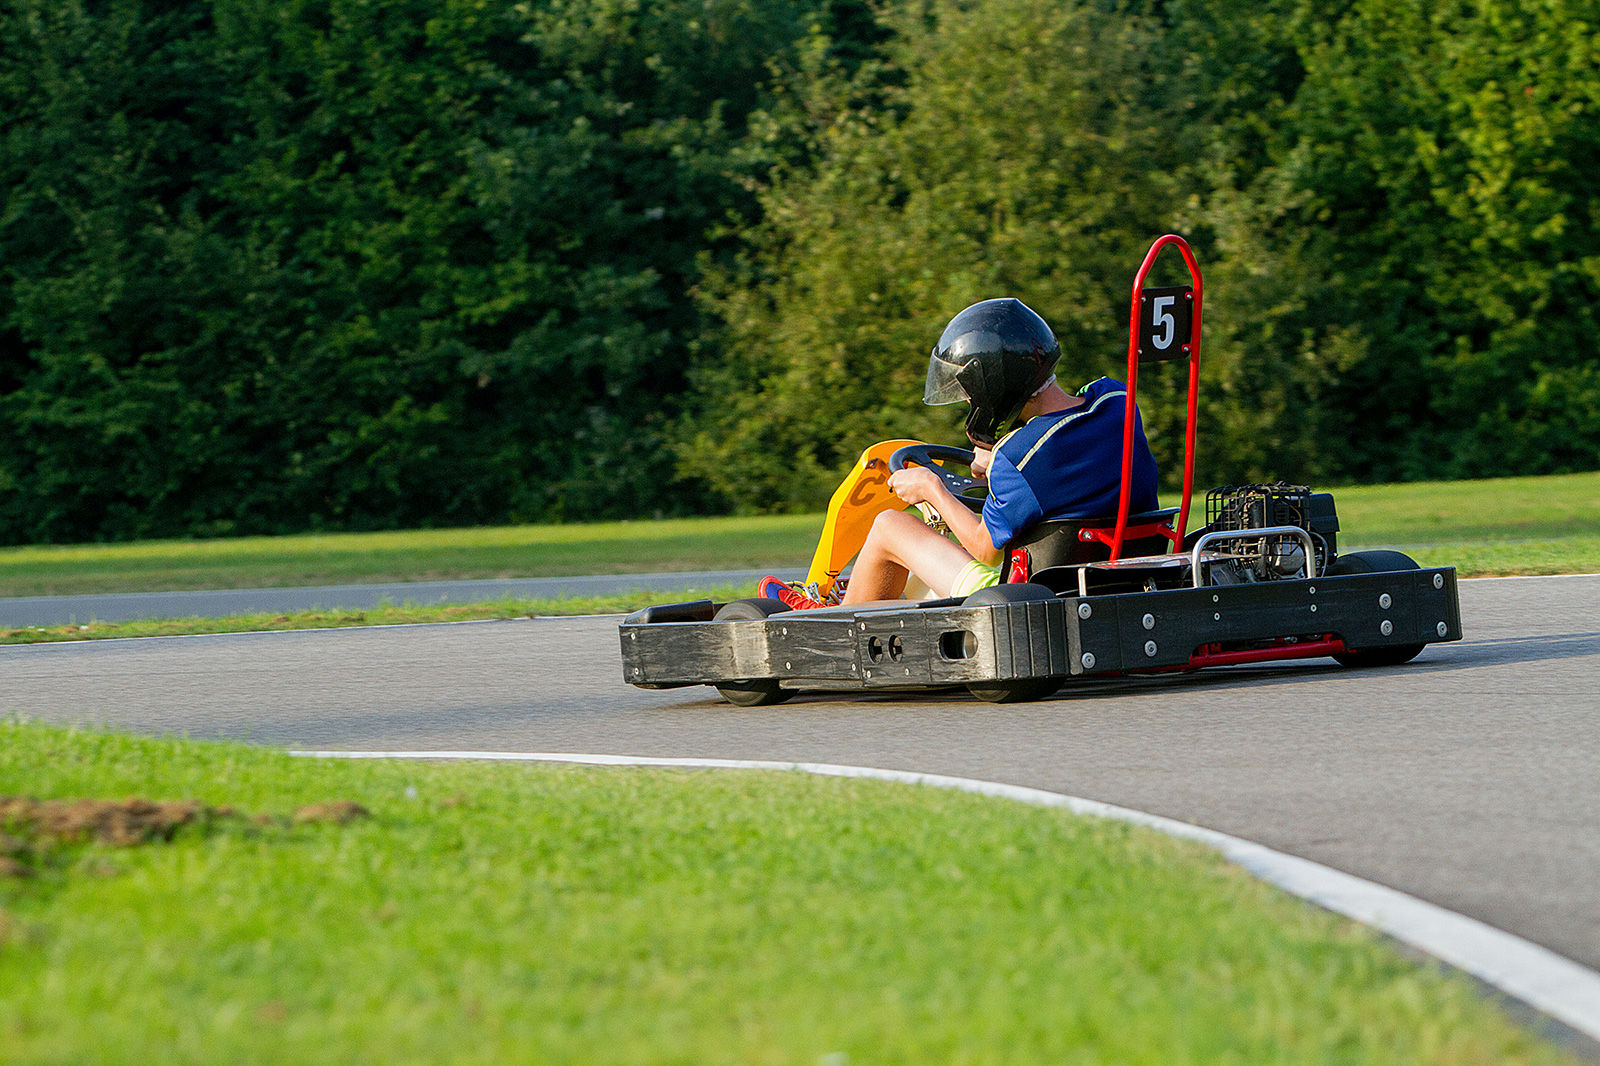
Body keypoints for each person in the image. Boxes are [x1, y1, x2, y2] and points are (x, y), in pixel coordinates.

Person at [761, 298, 1159, 609]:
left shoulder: (1017, 459)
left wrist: (934, 490)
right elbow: (1066, 454)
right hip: (1116, 564)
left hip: (1020, 589)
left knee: (888, 525)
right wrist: (998, 458)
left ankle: (833, 617)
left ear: (992, 386)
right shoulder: (1117, 402)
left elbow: (985, 549)